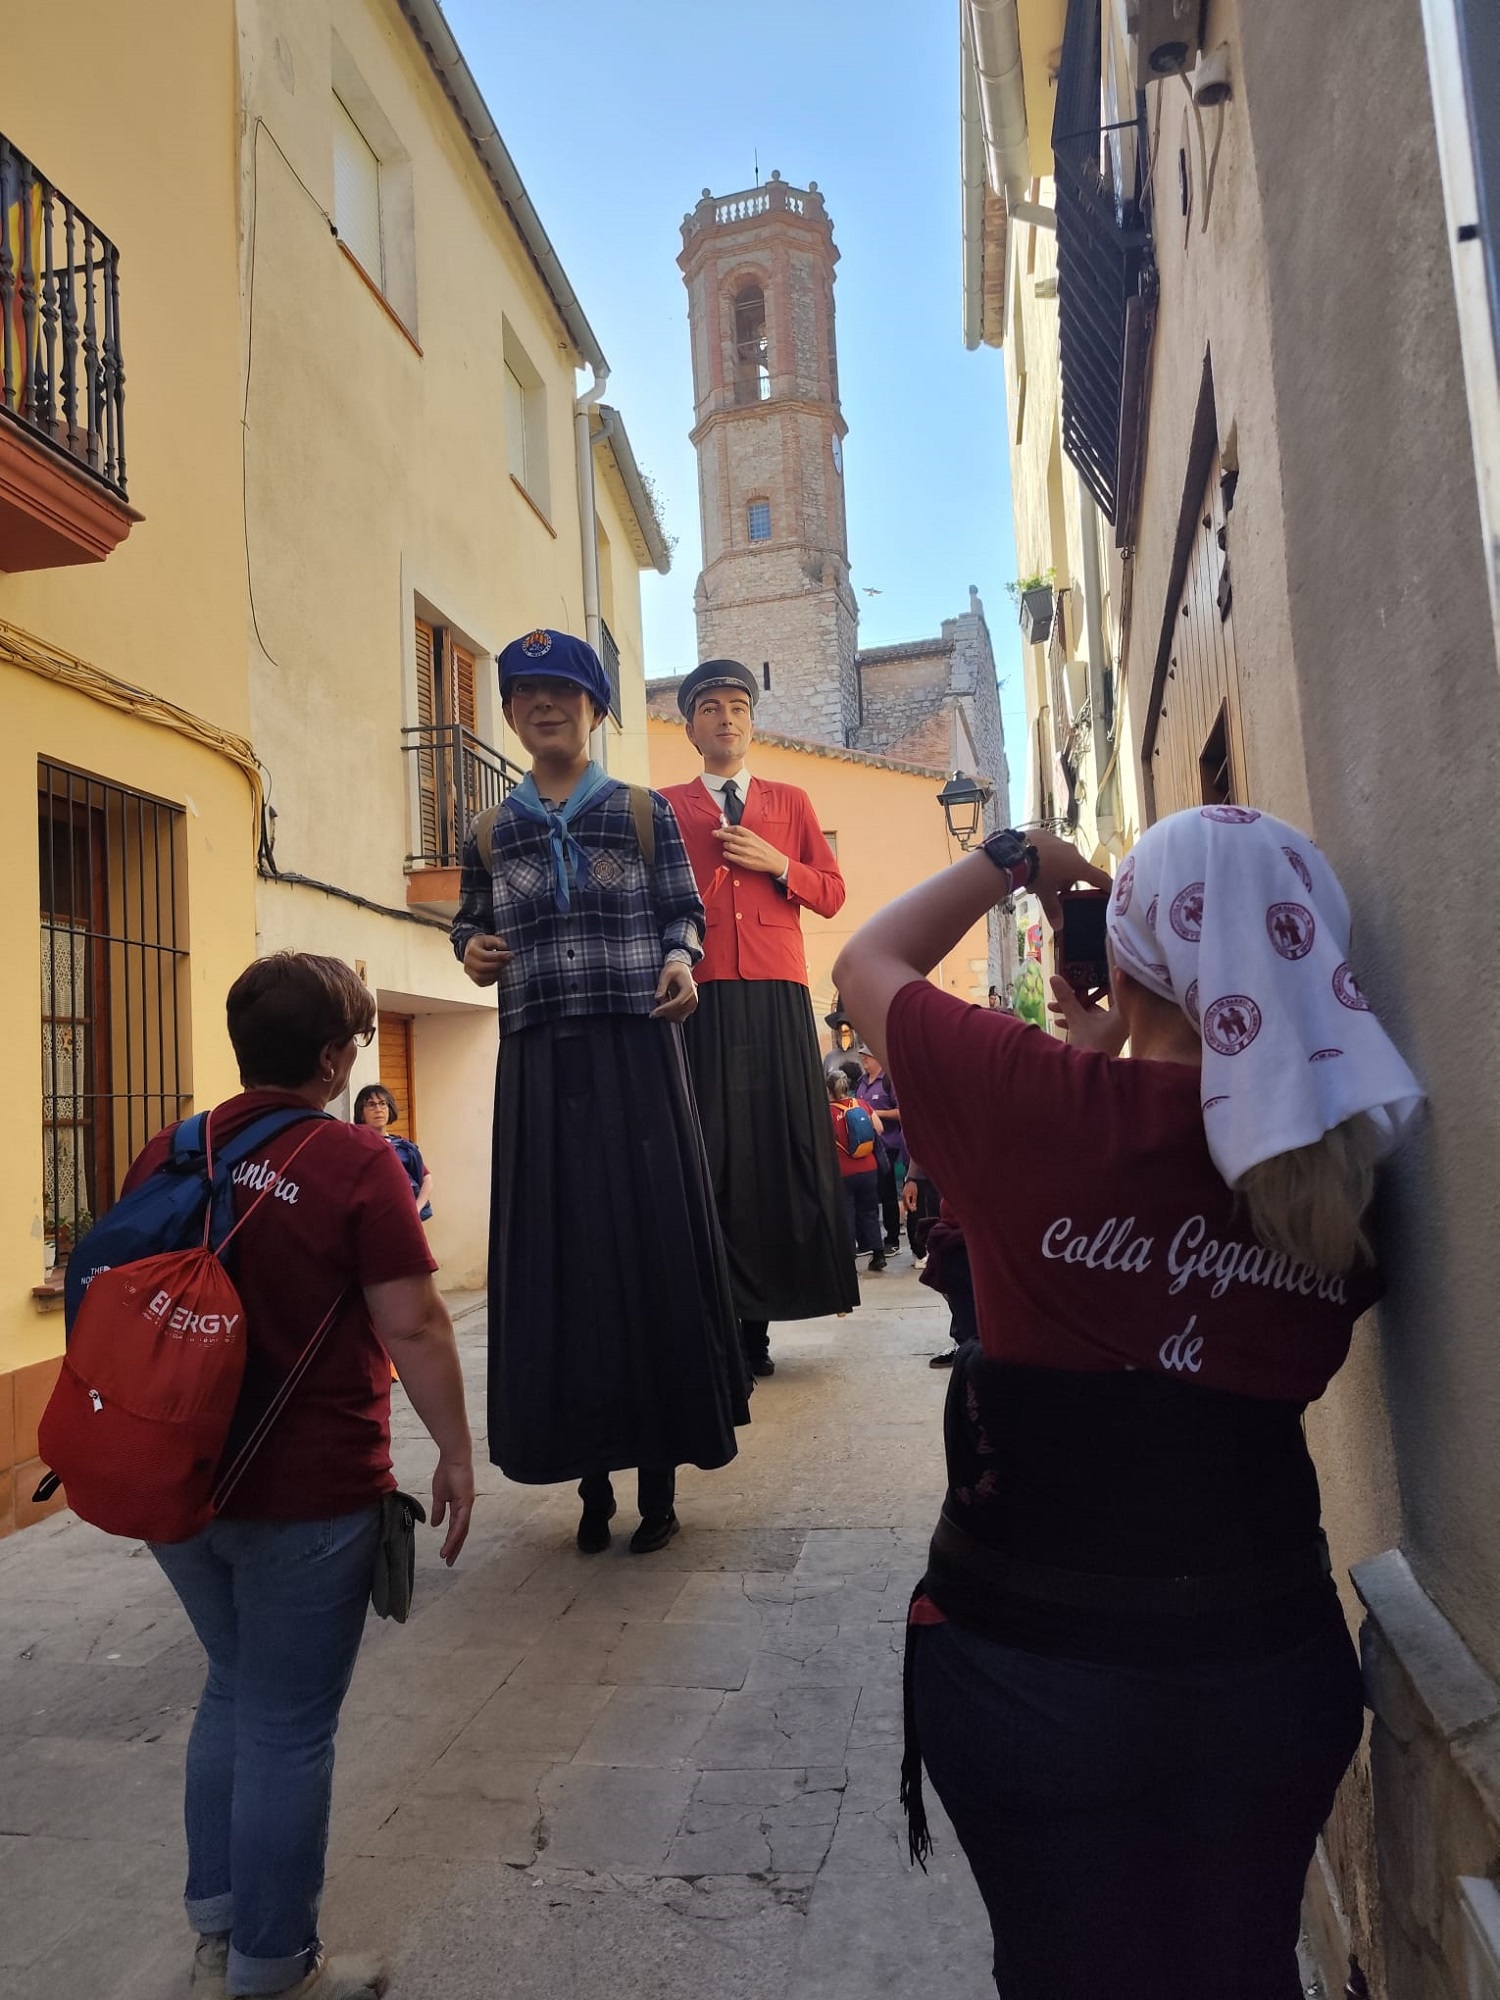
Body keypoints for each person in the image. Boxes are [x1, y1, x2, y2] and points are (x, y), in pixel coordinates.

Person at [832, 807, 1425, 2000]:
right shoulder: (1355, 1172)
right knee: (1242, 1964)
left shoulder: (1039, 1102)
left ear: (1132, 945)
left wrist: (1017, 858)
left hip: (1035, 1668)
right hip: (1267, 1663)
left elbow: (864, 964)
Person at [138, 952, 475, 2000]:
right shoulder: (356, 1161)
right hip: (309, 1490)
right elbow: (413, 1323)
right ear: (332, 1059)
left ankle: (218, 1932)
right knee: (287, 1723)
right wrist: (457, 1452)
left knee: (233, 1687)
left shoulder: (175, 1148)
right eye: (359, 1041)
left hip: (173, 1476)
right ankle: (274, 1966)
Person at [452, 629, 747, 1556]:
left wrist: (680, 960)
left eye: (564, 691)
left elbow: (683, 912)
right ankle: (590, 1482)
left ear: (596, 709)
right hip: (539, 1057)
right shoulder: (488, 831)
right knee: (564, 1261)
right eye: (526, 693)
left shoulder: (643, 811)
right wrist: (470, 950)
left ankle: (658, 1485)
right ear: (509, 713)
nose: (545, 705)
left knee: (650, 1252)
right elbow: (468, 922)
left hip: (636, 1049)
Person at [659, 659, 858, 1377]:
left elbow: (831, 894)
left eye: (738, 706)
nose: (726, 718)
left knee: (775, 1151)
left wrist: (778, 863)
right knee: (710, 1153)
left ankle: (758, 1330)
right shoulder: (664, 807)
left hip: (776, 989)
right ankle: (715, 1327)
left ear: (752, 722)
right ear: (690, 727)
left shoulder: (790, 801)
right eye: (711, 707)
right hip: (700, 989)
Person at [827, 1067, 885, 1274]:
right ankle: (878, 1254)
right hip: (869, 1167)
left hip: (844, 1171)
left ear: (829, 1090)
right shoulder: (861, 1103)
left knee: (847, 1214)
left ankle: (848, 1259)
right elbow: (879, 1129)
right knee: (870, 1211)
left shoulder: (827, 1111)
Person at [352, 1083, 432, 1220]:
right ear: (361, 1112)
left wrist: (416, 1209)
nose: (378, 1109)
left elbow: (427, 1179)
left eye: (382, 1104)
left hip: (403, 1218)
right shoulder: (356, 1146)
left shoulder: (403, 1146)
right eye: (371, 1105)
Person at [855, 1045, 905, 1254]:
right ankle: (870, 1241)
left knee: (888, 1194)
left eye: (866, 1056)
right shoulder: (861, 1082)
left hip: (888, 1146)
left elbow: (902, 1111)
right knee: (869, 1195)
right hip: (866, 1146)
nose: (863, 1060)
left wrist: (877, 1114)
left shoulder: (888, 1081)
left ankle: (892, 1239)